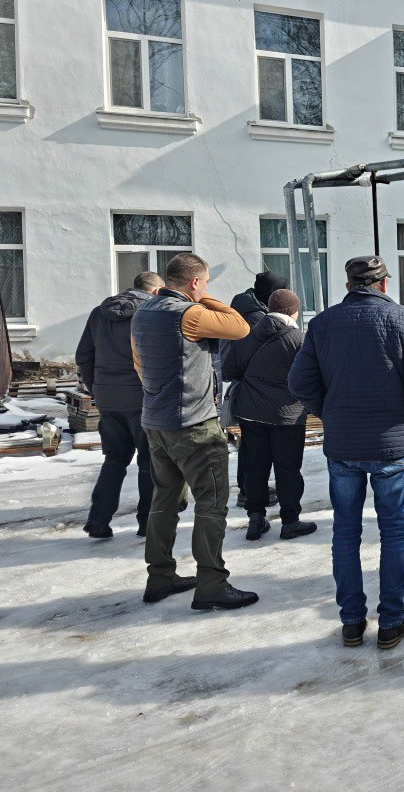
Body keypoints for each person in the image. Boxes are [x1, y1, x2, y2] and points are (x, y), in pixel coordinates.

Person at [289, 256, 404, 648]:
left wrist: (330, 412)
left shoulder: (322, 323)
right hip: (391, 443)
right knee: (393, 530)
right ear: (383, 284)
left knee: (345, 531)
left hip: (343, 442)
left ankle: (352, 622)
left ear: (349, 285)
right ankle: (390, 621)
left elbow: (299, 381)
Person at [131, 253, 255, 611]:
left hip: (156, 421)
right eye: (205, 283)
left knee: (164, 500)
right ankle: (212, 583)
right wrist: (205, 297)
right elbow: (239, 326)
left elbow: (138, 364)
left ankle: (160, 577)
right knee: (211, 502)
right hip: (194, 425)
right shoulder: (189, 314)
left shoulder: (144, 312)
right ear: (195, 282)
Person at [221, 288, 316, 542]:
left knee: (255, 466)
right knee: (288, 468)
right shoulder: (299, 340)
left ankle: (255, 519)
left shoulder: (246, 335)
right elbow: (309, 377)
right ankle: (290, 521)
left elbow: (229, 371)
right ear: (294, 312)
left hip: (250, 413)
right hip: (288, 415)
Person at [77, 271, 163, 539]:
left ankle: (98, 519)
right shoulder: (151, 313)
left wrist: (96, 388)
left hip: (107, 398)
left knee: (114, 459)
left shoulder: (99, 313)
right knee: (149, 460)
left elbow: (83, 355)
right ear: (155, 291)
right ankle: (147, 522)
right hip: (142, 398)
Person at [228, 269, 289, 507]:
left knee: (250, 444)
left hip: (246, 386)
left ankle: (247, 489)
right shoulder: (256, 317)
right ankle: (248, 491)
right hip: (256, 388)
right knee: (255, 448)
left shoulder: (245, 307)